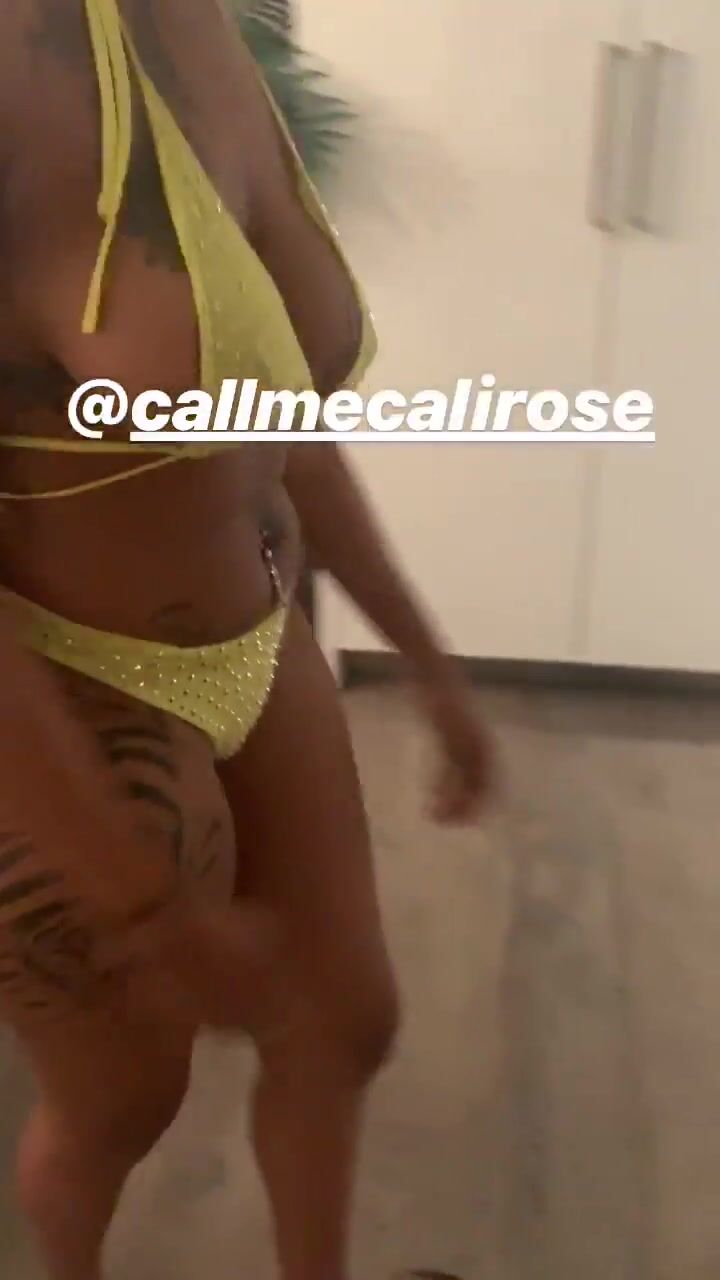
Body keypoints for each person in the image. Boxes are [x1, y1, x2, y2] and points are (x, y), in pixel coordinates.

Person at [0, 3, 492, 1279]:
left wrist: (426, 658)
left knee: (344, 1023)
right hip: (66, 677)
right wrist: (140, 899)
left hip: (258, 637)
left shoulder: (200, 27)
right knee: (121, 1100)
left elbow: (271, 410)